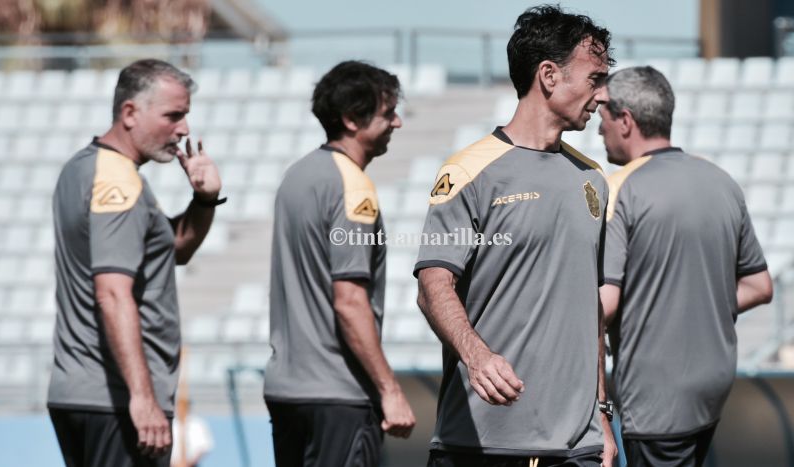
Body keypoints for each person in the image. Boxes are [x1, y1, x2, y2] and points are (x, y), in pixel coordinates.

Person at [414, 5, 618, 467]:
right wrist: (478, 357)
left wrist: (603, 413)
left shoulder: (593, 179)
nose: (603, 95)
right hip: (482, 445)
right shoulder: (469, 170)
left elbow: (591, 309)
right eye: (595, 78)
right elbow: (432, 287)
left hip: (577, 448)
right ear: (548, 75)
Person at [48, 58, 224, 467]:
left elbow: (175, 249)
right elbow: (112, 292)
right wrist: (143, 399)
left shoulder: (83, 166)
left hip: (81, 393)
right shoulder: (118, 181)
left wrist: (205, 200)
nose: (183, 129)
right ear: (130, 113)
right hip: (118, 399)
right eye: (173, 116)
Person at [597, 66, 773, 467]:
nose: (598, 127)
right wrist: (694, 308)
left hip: (657, 397)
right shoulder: (721, 180)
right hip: (710, 388)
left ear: (625, 121)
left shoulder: (620, 187)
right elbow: (760, 286)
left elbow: (601, 305)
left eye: (604, 115)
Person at [263, 60, 416, 467]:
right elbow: (348, 300)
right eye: (388, 113)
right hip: (337, 393)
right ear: (351, 120)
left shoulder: (297, 175)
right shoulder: (352, 187)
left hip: (286, 390)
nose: (397, 123)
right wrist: (390, 390)